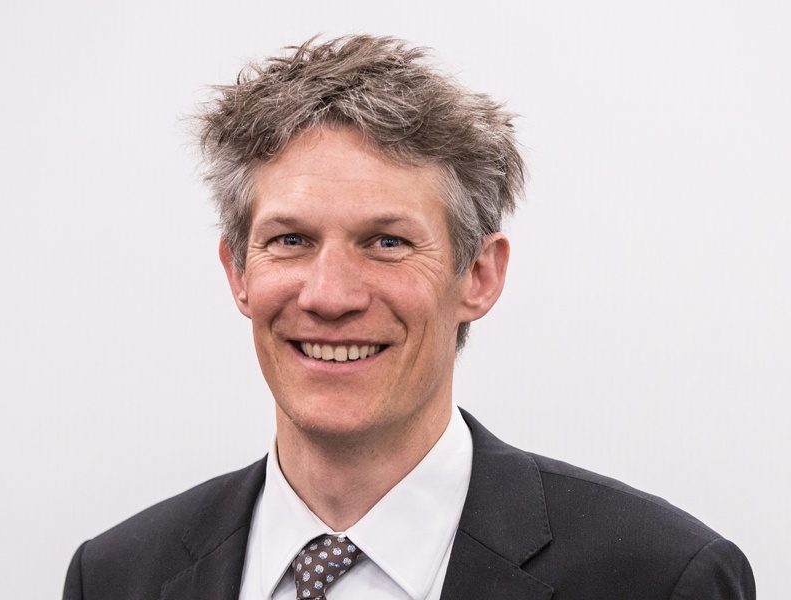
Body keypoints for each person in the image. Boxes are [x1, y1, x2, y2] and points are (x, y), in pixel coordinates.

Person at [63, 35, 755, 600]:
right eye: (291, 240)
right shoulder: (117, 577)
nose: (329, 295)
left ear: (478, 277)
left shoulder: (660, 578)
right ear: (238, 272)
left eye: (387, 242)